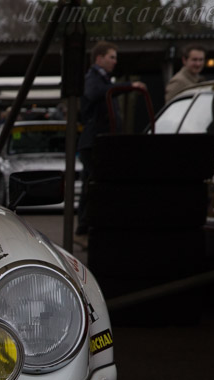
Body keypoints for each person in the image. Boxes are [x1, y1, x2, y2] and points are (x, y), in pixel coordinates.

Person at [76, 41, 146, 235]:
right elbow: (93, 92)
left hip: (100, 141)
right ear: (99, 58)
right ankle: (90, 225)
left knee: (92, 182)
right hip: (94, 142)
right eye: (111, 57)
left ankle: (85, 226)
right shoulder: (93, 77)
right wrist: (128, 86)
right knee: (97, 183)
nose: (115, 61)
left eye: (116, 58)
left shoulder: (104, 80)